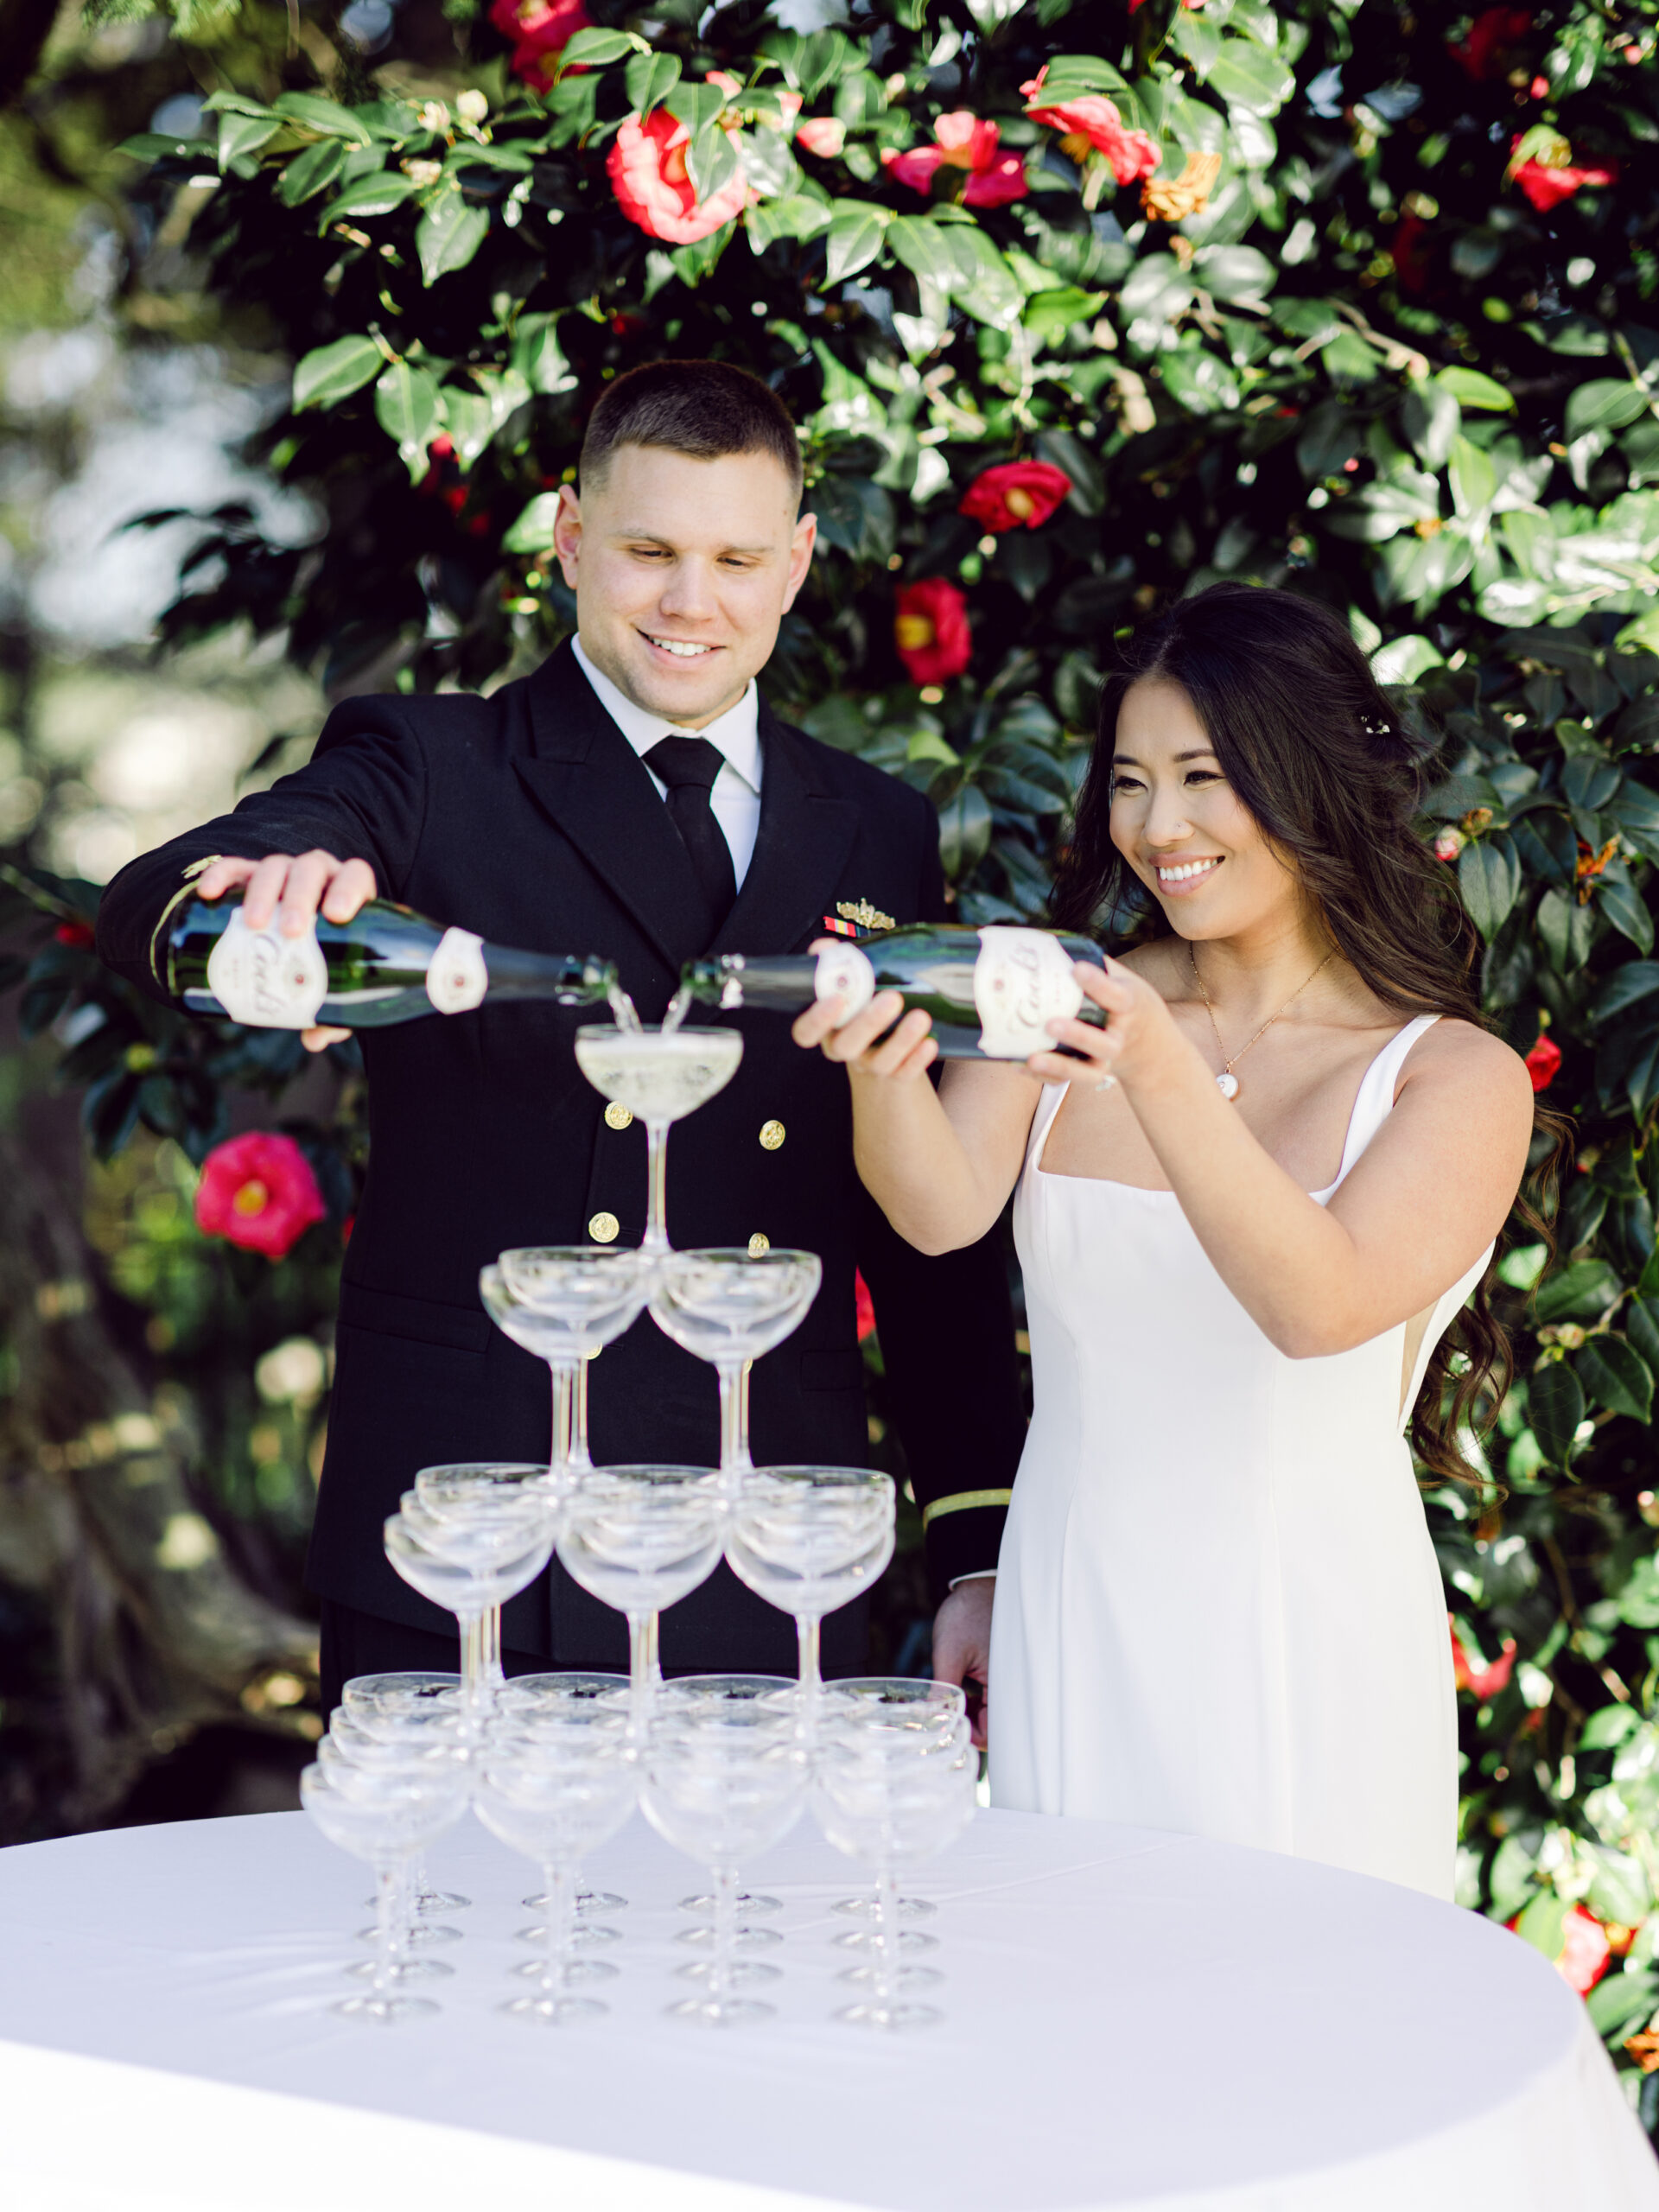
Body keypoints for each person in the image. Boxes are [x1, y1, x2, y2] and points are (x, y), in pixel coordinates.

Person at [96, 359, 1024, 1714]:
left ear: (799, 563)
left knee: (732, 1922)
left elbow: (920, 1214)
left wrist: (975, 1543)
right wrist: (268, 881)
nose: (690, 602)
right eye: (648, 550)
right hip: (475, 1526)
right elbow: (172, 890)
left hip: (761, 1528)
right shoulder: (432, 761)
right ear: (573, 541)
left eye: (735, 558)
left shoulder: (877, 824)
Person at [793, 582, 1535, 1898]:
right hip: (1074, 1610)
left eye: (1203, 777)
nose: (1158, 826)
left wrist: (1159, 1064)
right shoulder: (1082, 996)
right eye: (1130, 782)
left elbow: (1321, 1307)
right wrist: (876, 1063)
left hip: (1301, 1632)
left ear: (1309, 777)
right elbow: (936, 1209)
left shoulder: (1454, 1078)